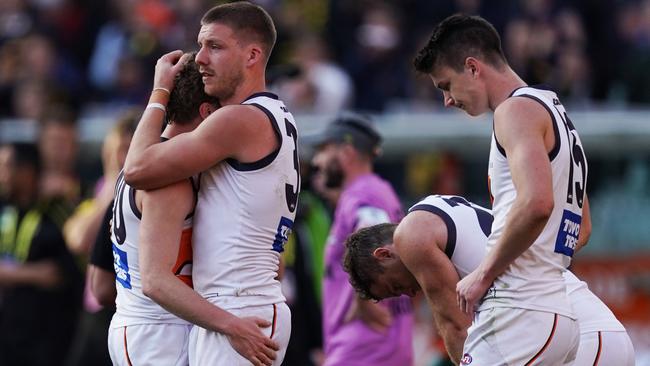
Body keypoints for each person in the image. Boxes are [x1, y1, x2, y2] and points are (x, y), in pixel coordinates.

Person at [122, 2, 298, 365]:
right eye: (200, 46)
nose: (200, 58)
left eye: (214, 47)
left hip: (240, 307)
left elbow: (137, 168)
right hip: (231, 306)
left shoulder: (239, 120)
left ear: (253, 55)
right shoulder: (272, 115)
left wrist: (160, 93)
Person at [414, 14, 590, 364]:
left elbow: (538, 203)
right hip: (558, 313)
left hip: (519, 308)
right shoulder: (555, 110)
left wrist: (484, 273)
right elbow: (580, 228)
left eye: (446, 85)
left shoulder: (515, 111)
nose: (448, 100)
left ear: (473, 67)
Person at [344, 195, 635, 366]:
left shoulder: (411, 236)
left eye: (396, 287)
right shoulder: (443, 212)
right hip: (599, 333)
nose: (408, 293)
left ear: (384, 254)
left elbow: (457, 327)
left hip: (570, 338)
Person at [310, 113, 413, 366]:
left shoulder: (363, 194)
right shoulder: (379, 190)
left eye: (324, 150)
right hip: (384, 344)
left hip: (363, 349)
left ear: (346, 152)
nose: (317, 160)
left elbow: (371, 232)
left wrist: (364, 302)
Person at [0, 142, 83, 366]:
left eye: (7, 166)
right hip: (10, 336)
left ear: (27, 172)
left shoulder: (55, 212)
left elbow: (61, 273)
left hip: (48, 336)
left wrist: (10, 274)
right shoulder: (7, 208)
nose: (2, 175)